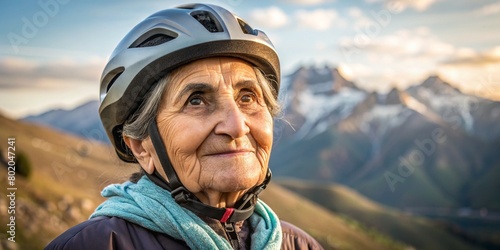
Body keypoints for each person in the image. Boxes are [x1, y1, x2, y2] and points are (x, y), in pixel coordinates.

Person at [46, 3, 323, 250]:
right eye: (197, 100)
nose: (237, 126)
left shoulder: (298, 245)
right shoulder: (94, 245)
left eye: (248, 97)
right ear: (141, 147)